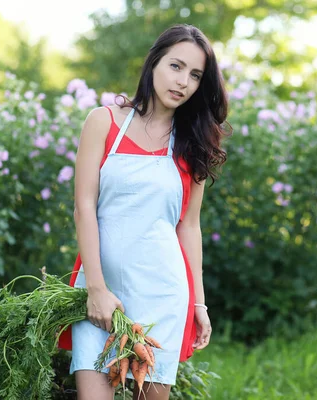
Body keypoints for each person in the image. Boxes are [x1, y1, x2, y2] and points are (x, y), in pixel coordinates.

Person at [57, 24, 230, 400]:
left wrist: (198, 303)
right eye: (176, 66)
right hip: (101, 291)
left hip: (162, 296)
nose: (183, 81)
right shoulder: (103, 122)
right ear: (154, 63)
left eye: (195, 75)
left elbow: (189, 227)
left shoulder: (193, 143)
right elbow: (84, 207)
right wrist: (97, 290)